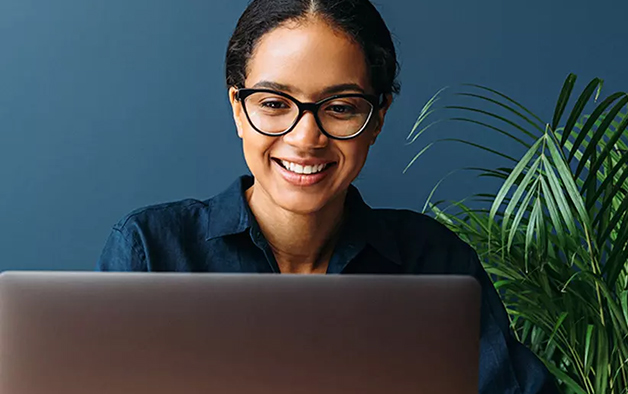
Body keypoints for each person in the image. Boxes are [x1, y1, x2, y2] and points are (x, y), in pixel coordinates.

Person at [97, 0, 559, 392]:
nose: (305, 138)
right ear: (238, 109)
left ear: (377, 119)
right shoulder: (152, 251)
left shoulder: (433, 263)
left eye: (340, 108)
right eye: (275, 104)